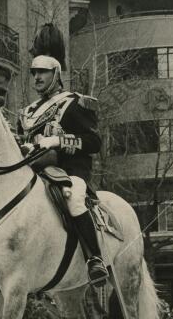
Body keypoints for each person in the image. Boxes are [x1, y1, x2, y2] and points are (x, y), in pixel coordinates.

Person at [17, 23, 108, 287]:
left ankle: (95, 259)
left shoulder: (74, 102)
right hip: (36, 171)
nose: (37, 77)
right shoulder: (27, 112)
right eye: (34, 72)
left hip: (71, 171)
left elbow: (94, 142)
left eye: (43, 72)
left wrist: (58, 140)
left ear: (56, 73)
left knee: (74, 200)